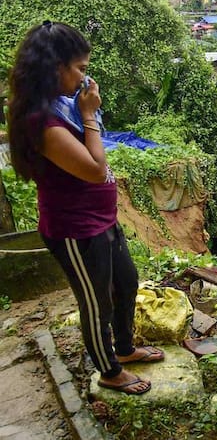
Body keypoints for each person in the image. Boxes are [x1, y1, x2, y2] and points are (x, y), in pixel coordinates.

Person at [7, 21, 164, 395]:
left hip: (101, 220)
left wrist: (84, 112)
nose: (84, 77)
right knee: (96, 303)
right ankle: (109, 372)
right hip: (74, 229)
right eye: (79, 68)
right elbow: (95, 170)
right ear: (54, 68)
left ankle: (124, 351)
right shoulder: (42, 121)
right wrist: (90, 115)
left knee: (126, 284)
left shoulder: (63, 107)